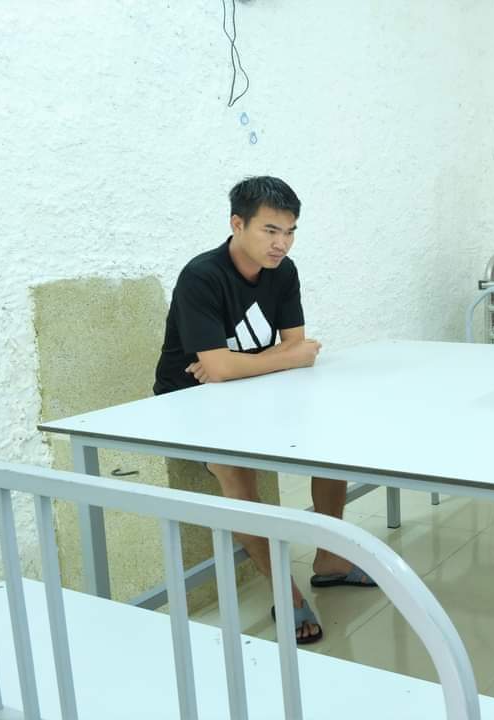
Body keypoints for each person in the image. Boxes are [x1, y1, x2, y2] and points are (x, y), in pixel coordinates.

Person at [153, 176, 375, 646]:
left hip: (252, 388)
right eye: (270, 230)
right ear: (238, 224)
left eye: (290, 232)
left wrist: (238, 364)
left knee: (328, 447)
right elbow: (227, 367)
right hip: (189, 397)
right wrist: (263, 360)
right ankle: (284, 590)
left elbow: (296, 348)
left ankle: (331, 559)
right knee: (236, 472)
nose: (282, 243)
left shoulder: (283, 271)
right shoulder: (202, 276)